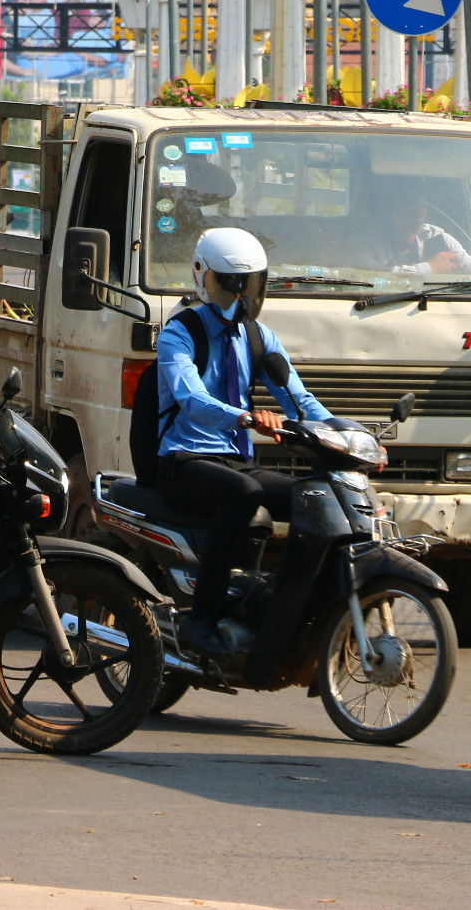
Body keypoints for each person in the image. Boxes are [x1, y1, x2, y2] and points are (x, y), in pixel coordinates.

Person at [152, 227, 339, 659]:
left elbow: (299, 398)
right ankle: (203, 617)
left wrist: (347, 435)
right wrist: (245, 417)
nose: (240, 297)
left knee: (314, 497)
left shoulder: (259, 338)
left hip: (236, 458)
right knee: (245, 493)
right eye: (229, 285)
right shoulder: (179, 334)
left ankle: (278, 603)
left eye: (249, 286)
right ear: (201, 276)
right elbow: (191, 399)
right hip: (184, 459)